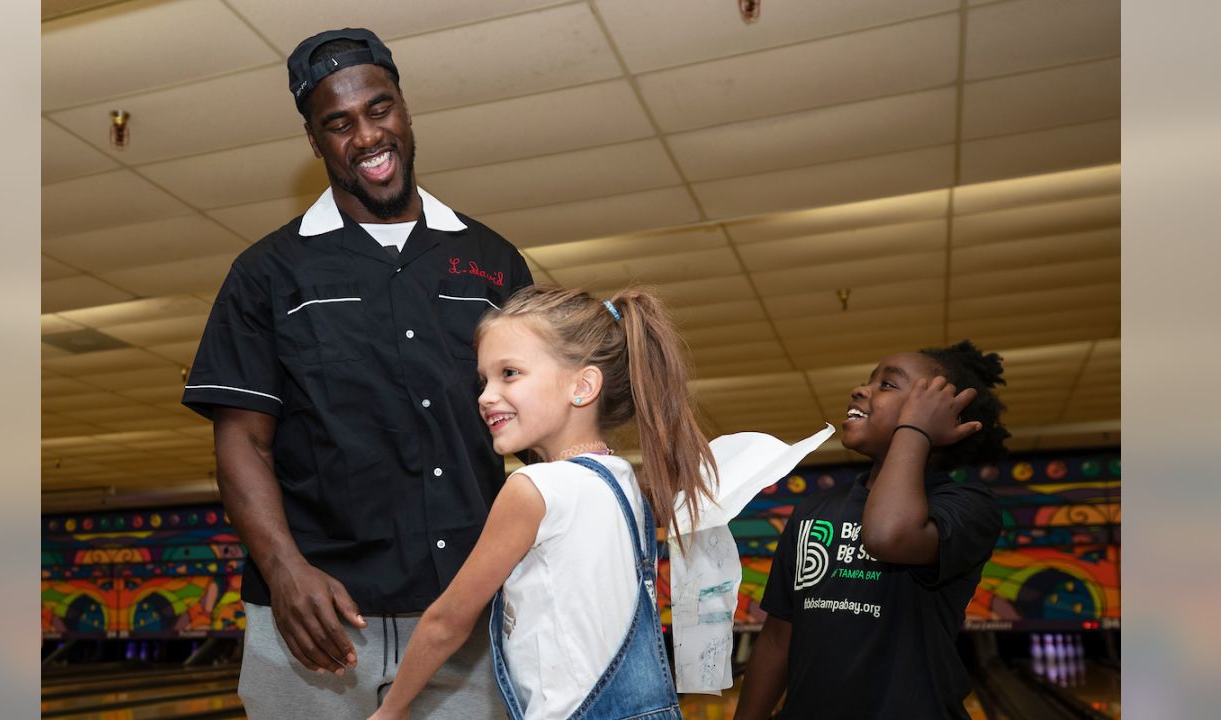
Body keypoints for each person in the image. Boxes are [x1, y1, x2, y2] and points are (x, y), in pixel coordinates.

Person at [180, 28, 532, 720]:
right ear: (315, 143)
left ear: (404, 109)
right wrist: (284, 572)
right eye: (338, 124)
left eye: (379, 109)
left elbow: (541, 421)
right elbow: (242, 442)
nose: (366, 135)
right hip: (318, 620)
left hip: (465, 608)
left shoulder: (493, 260)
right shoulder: (267, 274)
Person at [367, 286, 719, 720]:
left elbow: (447, 621)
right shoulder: (623, 480)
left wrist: (392, 709)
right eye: (484, 380)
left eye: (509, 373)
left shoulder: (533, 489)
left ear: (583, 385)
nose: (485, 396)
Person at [734, 340, 1009, 720]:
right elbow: (779, 639)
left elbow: (887, 535)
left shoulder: (968, 507)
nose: (860, 390)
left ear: (942, 415)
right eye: (869, 381)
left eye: (888, 385)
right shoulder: (814, 509)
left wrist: (915, 429)